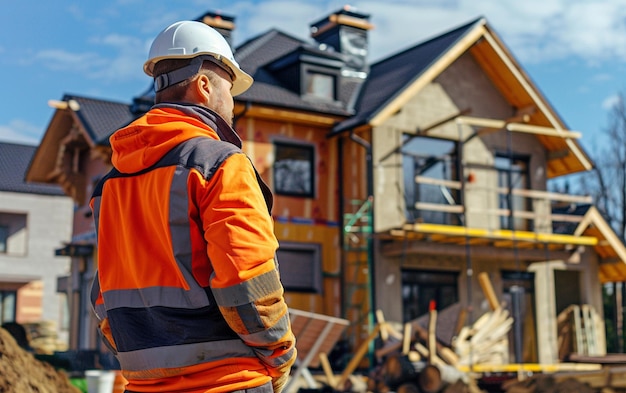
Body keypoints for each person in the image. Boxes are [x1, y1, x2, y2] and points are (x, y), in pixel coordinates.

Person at [89, 20, 296, 393]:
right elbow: (247, 279)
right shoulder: (220, 163)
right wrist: (280, 355)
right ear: (204, 86)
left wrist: (145, 361)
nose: (233, 106)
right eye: (230, 91)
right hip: (228, 382)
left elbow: (102, 297)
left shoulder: (110, 185)